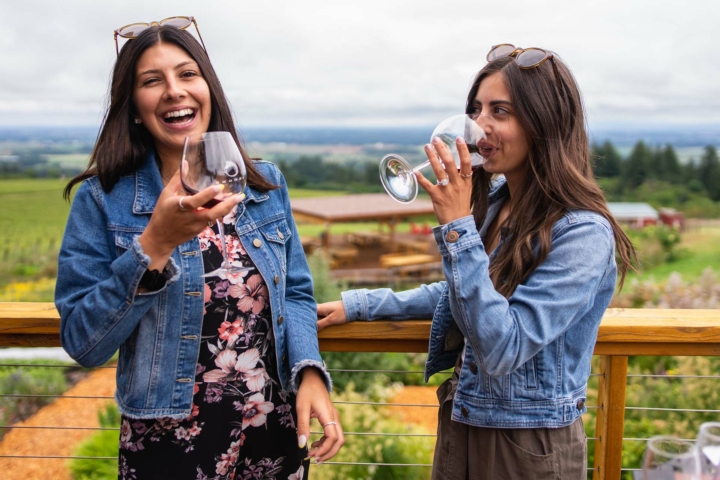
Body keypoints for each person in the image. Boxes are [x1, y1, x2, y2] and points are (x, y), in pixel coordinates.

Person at [317, 44, 635, 480]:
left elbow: (503, 348)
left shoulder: (583, 234)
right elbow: (463, 296)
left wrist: (457, 226)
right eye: (475, 109)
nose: (478, 126)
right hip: (464, 419)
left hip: (528, 447)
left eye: (499, 111)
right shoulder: (502, 202)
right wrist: (363, 306)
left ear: (544, 123)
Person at [55, 18, 343, 479]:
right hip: (169, 443)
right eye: (152, 81)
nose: (174, 90)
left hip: (274, 429)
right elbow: (83, 343)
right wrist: (155, 244)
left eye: (188, 74)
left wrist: (309, 372)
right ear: (133, 108)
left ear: (209, 88)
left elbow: (295, 294)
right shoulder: (101, 201)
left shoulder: (264, 186)